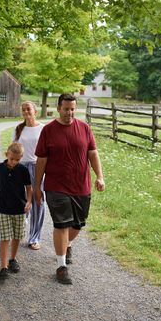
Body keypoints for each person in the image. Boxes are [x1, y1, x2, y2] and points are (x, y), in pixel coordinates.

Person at [34, 93, 105, 285]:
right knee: (62, 224)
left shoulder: (84, 128)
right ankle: (61, 266)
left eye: (73, 109)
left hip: (81, 185)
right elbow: (41, 159)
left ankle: (68, 245)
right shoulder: (49, 130)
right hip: (56, 185)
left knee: (78, 224)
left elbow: (93, 153)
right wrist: (37, 186)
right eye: (66, 109)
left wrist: (99, 176)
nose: (70, 112)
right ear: (58, 108)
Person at [0, 142, 32, 280]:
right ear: (7, 154)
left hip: (19, 209)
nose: (14, 162)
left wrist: (29, 201)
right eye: (12, 158)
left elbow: (28, 187)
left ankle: (12, 259)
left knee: (17, 236)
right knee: (5, 237)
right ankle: (3, 267)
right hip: (3, 208)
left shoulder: (23, 170)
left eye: (17, 160)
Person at [12, 101, 45, 250]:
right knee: (20, 200)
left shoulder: (43, 129)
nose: (26, 111)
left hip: (37, 167)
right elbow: (13, 149)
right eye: (23, 109)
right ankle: (18, 231)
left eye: (29, 109)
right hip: (21, 167)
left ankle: (34, 238)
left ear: (35, 111)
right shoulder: (19, 129)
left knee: (38, 201)